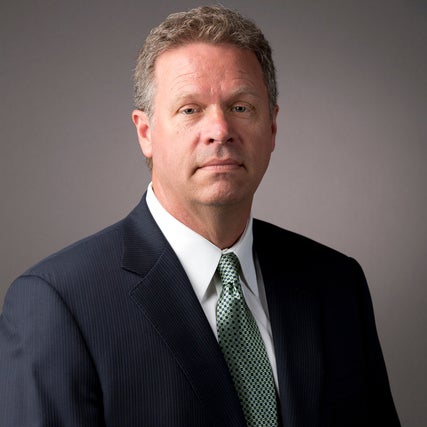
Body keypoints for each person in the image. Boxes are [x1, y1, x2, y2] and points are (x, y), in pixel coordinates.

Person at [0, 5, 400, 426]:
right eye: (190, 109)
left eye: (241, 107)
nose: (220, 130)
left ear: (272, 128)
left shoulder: (336, 283)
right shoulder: (57, 303)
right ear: (145, 133)